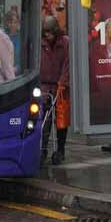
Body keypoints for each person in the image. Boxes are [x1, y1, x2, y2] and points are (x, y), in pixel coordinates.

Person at [40, 15, 70, 165]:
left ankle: (60, 150)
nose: (47, 35)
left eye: (50, 32)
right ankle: (42, 149)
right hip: (44, 86)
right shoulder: (41, 44)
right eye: (45, 32)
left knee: (61, 120)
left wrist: (62, 82)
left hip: (60, 86)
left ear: (56, 31)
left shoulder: (65, 43)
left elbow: (67, 64)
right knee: (44, 120)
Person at [4, 7, 22, 74]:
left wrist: (17, 68)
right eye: (10, 22)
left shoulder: (22, 37)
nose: (12, 25)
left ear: (18, 23)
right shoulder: (2, 36)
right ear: (6, 23)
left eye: (15, 22)